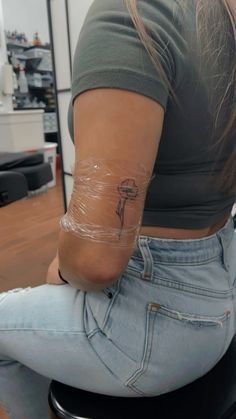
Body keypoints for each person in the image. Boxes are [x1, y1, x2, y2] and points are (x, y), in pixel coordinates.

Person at [1, 0, 236, 417]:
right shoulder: (223, 21)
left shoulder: (136, 15)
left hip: (149, 333)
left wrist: (62, 266)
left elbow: (94, 260)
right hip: (221, 303)